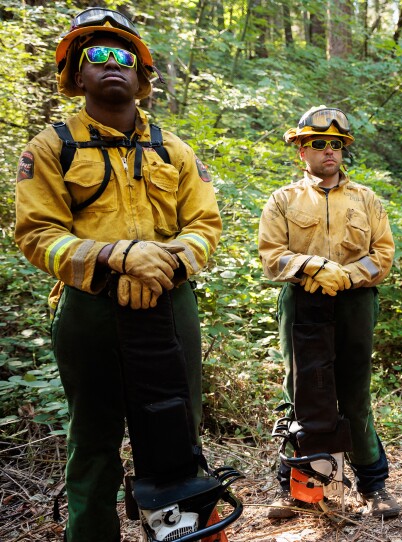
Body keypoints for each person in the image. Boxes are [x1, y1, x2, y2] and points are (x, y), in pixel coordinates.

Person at [14, 8, 221, 542]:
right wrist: (114, 257)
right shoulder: (50, 147)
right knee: (93, 440)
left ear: (141, 75)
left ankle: (186, 530)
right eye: (96, 57)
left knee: (178, 430)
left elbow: (204, 225)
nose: (112, 64)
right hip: (89, 310)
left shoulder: (174, 149)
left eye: (123, 56)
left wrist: (166, 262)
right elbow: (37, 233)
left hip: (170, 305)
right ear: (76, 75)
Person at [257, 106, 400, 519]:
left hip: (355, 303)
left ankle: (373, 484)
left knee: (354, 394)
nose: (328, 152)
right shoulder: (283, 200)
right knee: (299, 392)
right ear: (301, 150)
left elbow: (384, 255)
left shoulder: (365, 199)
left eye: (336, 145)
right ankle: (297, 488)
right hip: (302, 300)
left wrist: (348, 276)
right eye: (318, 144)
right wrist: (313, 267)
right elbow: (271, 257)